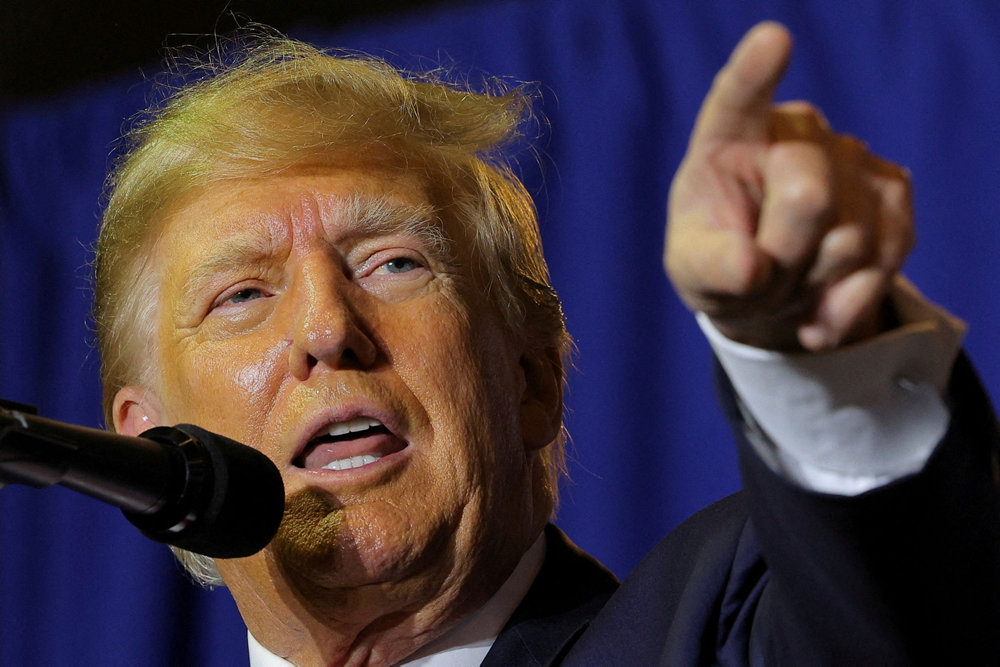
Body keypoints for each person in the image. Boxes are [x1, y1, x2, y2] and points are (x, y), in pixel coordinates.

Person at [92, 20, 999, 665]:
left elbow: (894, 612)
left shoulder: (728, 627)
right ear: (150, 440)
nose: (328, 331)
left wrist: (820, 344)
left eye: (393, 263)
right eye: (243, 293)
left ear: (532, 379)